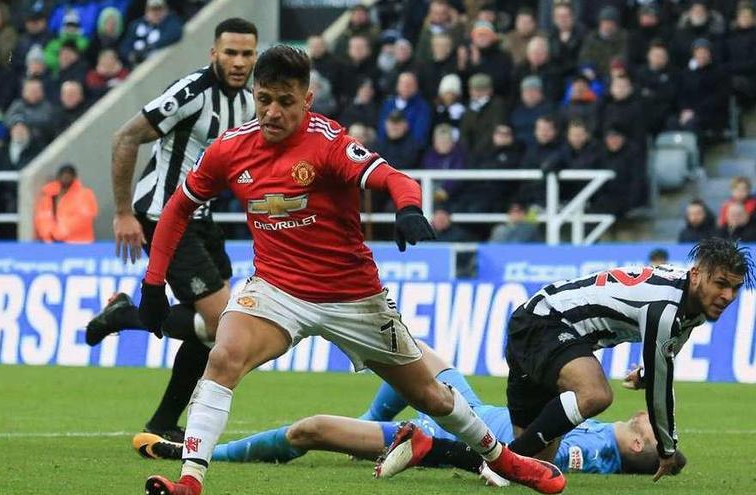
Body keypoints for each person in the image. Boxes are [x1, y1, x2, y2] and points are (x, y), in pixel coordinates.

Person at [138, 44, 565, 495]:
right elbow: (177, 208)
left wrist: (408, 208)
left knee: (430, 397)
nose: (272, 112)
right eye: (264, 99)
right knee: (223, 357)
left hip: (352, 297)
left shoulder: (328, 142)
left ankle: (507, 460)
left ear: (307, 99)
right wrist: (153, 282)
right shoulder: (230, 149)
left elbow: (395, 178)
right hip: (276, 289)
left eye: (285, 101)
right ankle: (190, 481)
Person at [84, 18, 259, 446]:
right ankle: (126, 313)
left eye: (247, 54)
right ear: (213, 53)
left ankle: (162, 422)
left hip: (202, 219)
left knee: (216, 331)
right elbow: (125, 138)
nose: (238, 62)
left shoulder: (251, 101)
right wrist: (123, 213)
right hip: (164, 215)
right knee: (222, 323)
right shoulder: (192, 93)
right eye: (230, 53)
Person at [137, 341, 678, 478]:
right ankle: (373, 420)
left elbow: (530, 458)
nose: (655, 423)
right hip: (462, 405)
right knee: (402, 349)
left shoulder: (594, 448)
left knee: (308, 430)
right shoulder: (609, 429)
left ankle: (207, 452)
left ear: (635, 444)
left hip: (445, 432)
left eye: (653, 433)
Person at [464, 238, 750, 483]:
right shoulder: (666, 306)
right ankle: (500, 460)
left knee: (538, 462)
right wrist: (666, 448)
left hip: (542, 330)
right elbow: (660, 390)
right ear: (697, 274)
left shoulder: (691, 305)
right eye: (721, 284)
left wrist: (645, 373)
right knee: (595, 394)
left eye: (735, 288)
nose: (727, 296)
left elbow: (669, 349)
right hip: (546, 322)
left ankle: (476, 457)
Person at [34, 163, 98, 243]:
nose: (65, 177)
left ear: (74, 177)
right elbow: (42, 218)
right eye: (63, 174)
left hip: (80, 244)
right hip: (51, 244)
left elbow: (84, 218)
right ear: (57, 177)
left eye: (69, 175)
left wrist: (60, 231)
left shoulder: (85, 194)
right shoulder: (48, 195)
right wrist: (48, 235)